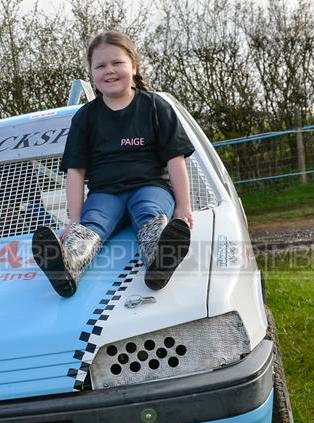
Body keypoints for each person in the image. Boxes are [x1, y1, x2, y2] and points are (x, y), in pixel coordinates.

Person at [32, 31, 195, 297]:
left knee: (149, 212)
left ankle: (159, 261)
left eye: (117, 63)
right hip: (105, 193)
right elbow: (75, 171)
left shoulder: (156, 106)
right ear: (92, 74)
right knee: (93, 221)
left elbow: (175, 159)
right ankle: (68, 266)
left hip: (150, 186)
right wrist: (74, 220)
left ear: (134, 65)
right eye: (100, 65)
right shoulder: (85, 117)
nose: (109, 70)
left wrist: (183, 207)